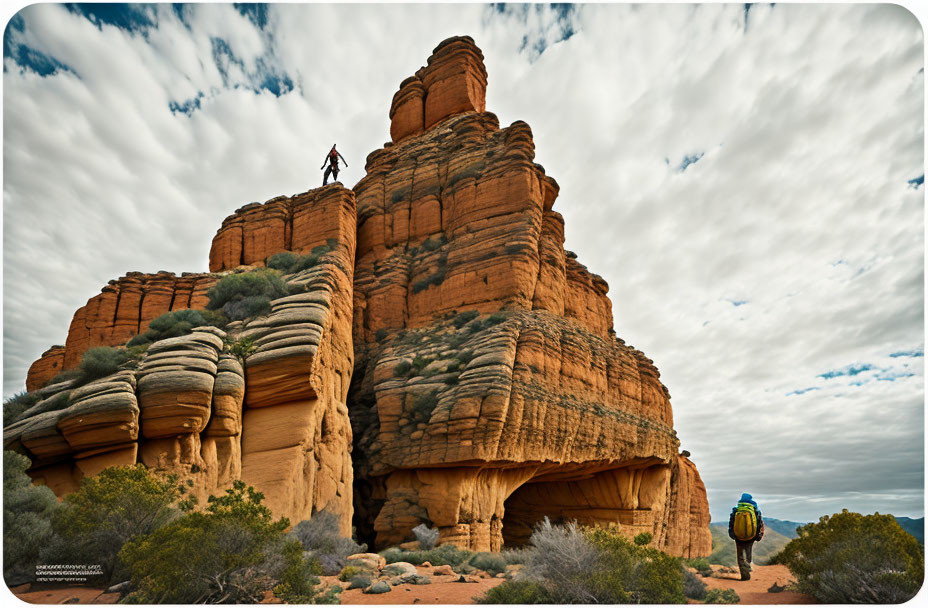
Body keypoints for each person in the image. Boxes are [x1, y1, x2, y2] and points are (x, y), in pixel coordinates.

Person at [728, 492, 764, 581]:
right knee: (748, 552)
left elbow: (731, 523)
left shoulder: (736, 509)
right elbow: (759, 523)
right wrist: (757, 536)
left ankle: (744, 575)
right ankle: (748, 566)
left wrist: (733, 535)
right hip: (750, 537)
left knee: (740, 555)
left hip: (738, 537)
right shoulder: (755, 509)